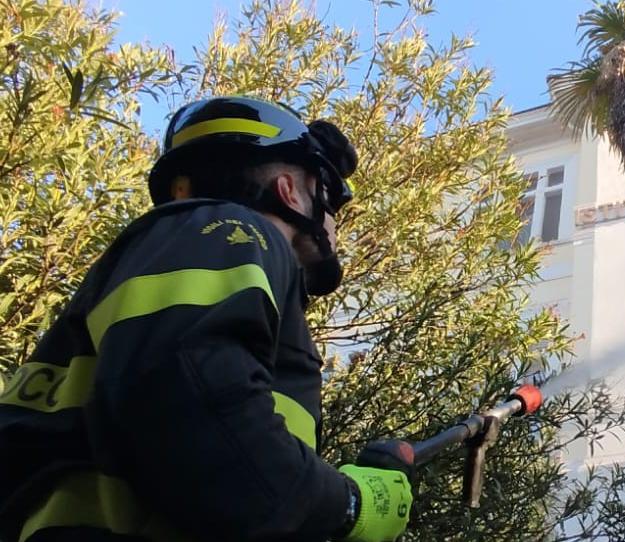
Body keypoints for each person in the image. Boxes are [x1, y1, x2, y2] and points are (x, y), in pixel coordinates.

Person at [0, 96, 413, 542]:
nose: (335, 222)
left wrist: (329, 493)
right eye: (332, 197)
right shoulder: (230, 229)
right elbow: (189, 403)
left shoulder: (181, 253)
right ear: (290, 189)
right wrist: (348, 504)